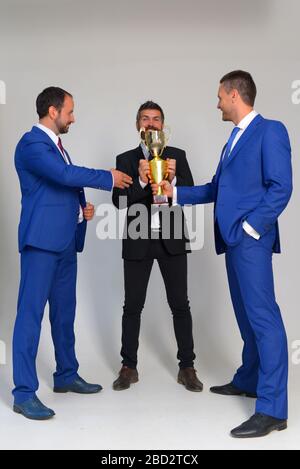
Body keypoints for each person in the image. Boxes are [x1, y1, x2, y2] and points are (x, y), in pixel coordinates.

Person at [156, 71, 293, 438]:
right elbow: (216, 188)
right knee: (247, 318)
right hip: (232, 241)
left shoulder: (271, 131)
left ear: (235, 95)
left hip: (250, 240)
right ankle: (249, 378)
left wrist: (251, 228)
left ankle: (272, 409)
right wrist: (174, 194)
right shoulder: (233, 139)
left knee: (264, 318)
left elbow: (282, 187)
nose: (216, 103)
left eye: (219, 96)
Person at [13, 86, 132, 420]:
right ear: (53, 111)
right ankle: (23, 393)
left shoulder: (56, 146)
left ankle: (66, 374)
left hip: (65, 242)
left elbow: (60, 186)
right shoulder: (32, 144)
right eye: (70, 111)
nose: (73, 118)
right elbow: (64, 175)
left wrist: (81, 209)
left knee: (65, 313)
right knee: (30, 315)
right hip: (40, 244)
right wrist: (107, 177)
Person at [112, 101, 203, 393]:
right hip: (137, 239)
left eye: (156, 119)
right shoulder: (125, 160)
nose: (151, 124)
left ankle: (187, 367)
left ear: (163, 125)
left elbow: (189, 195)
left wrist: (173, 180)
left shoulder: (177, 156)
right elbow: (119, 202)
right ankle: (129, 367)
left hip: (171, 238)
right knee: (132, 306)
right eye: (145, 119)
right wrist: (140, 179)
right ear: (137, 125)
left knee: (180, 305)